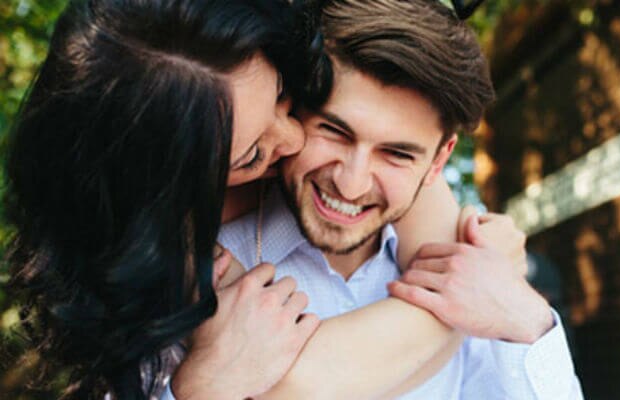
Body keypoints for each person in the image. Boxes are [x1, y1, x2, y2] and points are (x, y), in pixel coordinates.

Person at [5, 0, 527, 399]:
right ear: (179, 193)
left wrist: (495, 289)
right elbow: (303, 379)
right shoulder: (157, 268)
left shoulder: (407, 185)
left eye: (285, 98)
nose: (293, 139)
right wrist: (205, 384)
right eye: (252, 152)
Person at [211, 0, 585, 398]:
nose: (351, 185)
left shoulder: (476, 278)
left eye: (396, 154)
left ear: (439, 160)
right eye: (335, 131)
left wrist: (529, 319)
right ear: (292, 110)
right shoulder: (209, 263)